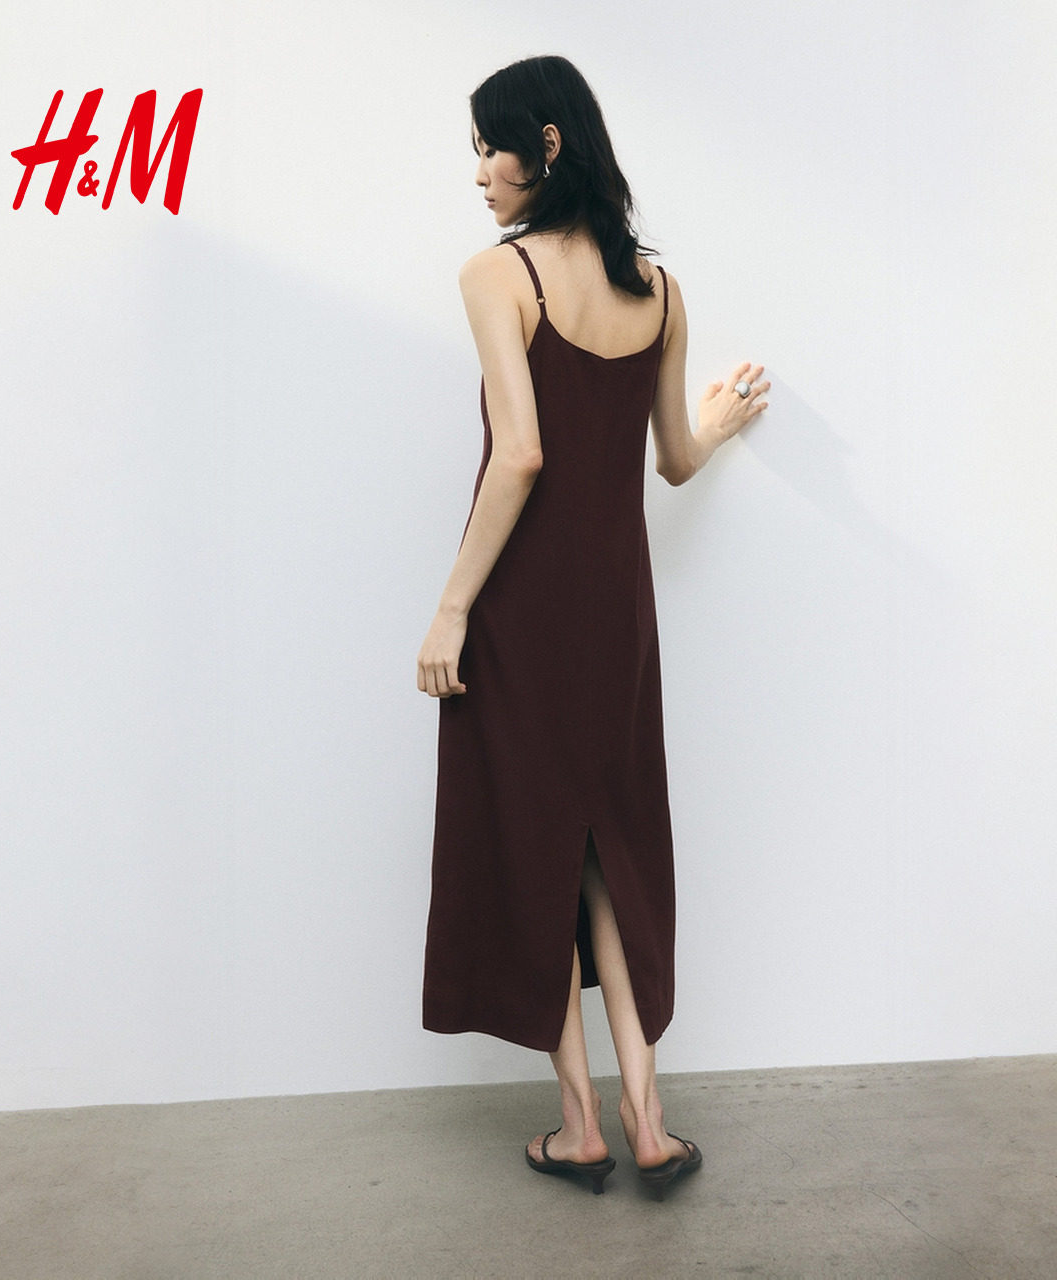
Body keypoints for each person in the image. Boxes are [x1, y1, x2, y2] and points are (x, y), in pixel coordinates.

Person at [416, 54, 768, 1200]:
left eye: (490, 146)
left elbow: (518, 453)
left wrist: (451, 609)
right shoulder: (658, 291)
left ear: (547, 145)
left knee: (535, 841)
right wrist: (715, 420)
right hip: (617, 611)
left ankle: (578, 1124)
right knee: (608, 840)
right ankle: (646, 1116)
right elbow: (672, 458)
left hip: (523, 607)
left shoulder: (497, 273)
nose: (478, 171)